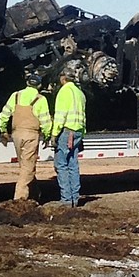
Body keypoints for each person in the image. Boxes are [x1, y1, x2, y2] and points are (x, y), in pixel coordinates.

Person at [0, 73, 52, 200]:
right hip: (31, 134)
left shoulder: (15, 95)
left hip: (16, 134)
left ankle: (34, 193)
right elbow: (45, 120)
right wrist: (47, 134)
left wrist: (3, 130)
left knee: (24, 165)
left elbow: (4, 114)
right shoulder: (40, 99)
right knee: (28, 166)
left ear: (27, 83)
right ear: (39, 85)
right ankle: (19, 198)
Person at [51, 68, 86, 207]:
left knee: (61, 165)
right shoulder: (80, 93)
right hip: (78, 132)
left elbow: (60, 115)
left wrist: (54, 134)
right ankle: (75, 198)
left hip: (67, 132)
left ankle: (66, 200)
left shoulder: (64, 91)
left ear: (63, 78)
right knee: (73, 165)